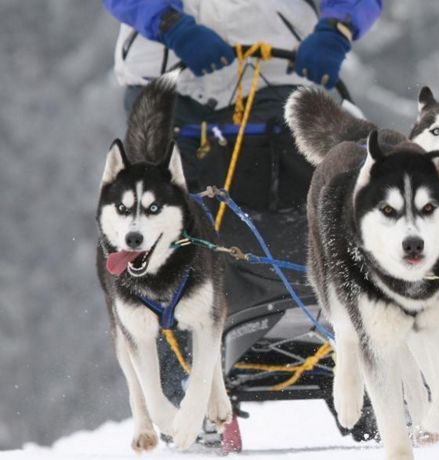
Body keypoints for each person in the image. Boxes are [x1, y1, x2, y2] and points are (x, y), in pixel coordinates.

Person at [103, 0, 382, 414]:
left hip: (287, 78)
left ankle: (372, 364)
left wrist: (338, 27)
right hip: (174, 83)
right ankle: (180, 388)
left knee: (352, 193)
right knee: (160, 240)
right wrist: (170, 23)